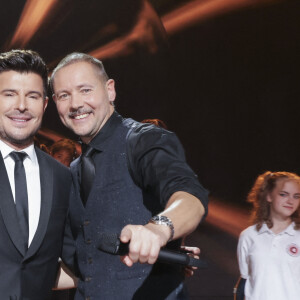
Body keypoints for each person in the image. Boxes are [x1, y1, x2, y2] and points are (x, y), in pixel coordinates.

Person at [50, 52, 209, 299]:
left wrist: (158, 230)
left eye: (85, 90)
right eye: (64, 95)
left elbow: (189, 196)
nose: (75, 104)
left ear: (110, 90)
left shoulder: (144, 140)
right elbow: (85, 268)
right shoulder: (73, 171)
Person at [0, 49, 74, 300]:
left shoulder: (62, 178)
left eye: (32, 96)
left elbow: (76, 259)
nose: (21, 105)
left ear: (44, 104)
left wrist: (158, 261)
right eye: (9, 94)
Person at [237, 171, 300, 300]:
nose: (290, 201)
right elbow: (244, 282)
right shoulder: (249, 236)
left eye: (296, 196)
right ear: (269, 196)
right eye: (283, 194)